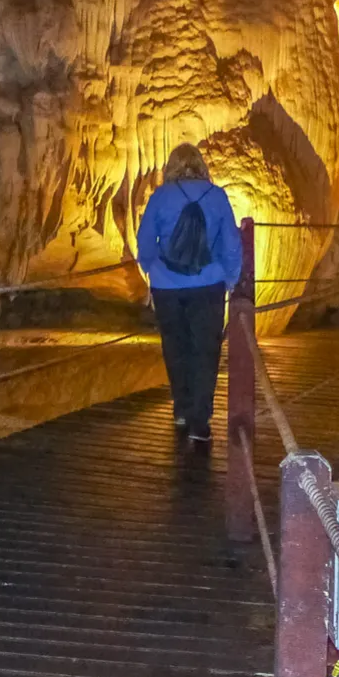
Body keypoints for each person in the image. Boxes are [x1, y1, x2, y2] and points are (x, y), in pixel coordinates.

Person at [137, 143, 242, 452]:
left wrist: (153, 269)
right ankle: (200, 422)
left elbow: (145, 242)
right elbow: (231, 244)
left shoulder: (160, 197)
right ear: (201, 165)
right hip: (208, 286)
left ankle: (181, 410)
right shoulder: (217, 196)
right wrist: (231, 278)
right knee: (205, 352)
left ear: (171, 166)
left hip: (167, 288)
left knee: (175, 346)